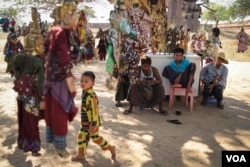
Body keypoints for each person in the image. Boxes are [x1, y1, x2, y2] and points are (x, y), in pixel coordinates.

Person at [43, 1, 78, 158]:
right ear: (66, 16)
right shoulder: (61, 32)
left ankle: (51, 139)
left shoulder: (52, 30)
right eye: (74, 14)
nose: (76, 17)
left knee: (51, 108)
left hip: (49, 76)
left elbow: (46, 52)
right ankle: (60, 146)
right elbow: (64, 58)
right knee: (60, 112)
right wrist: (69, 76)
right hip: (59, 79)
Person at [11, 7, 45, 156]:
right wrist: (41, 94)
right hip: (31, 94)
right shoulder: (38, 61)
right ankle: (33, 148)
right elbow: (41, 81)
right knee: (32, 120)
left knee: (24, 118)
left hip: (21, 91)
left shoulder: (21, 56)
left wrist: (19, 77)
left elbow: (14, 65)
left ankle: (24, 143)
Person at [71, 71, 116, 161]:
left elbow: (95, 111)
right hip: (84, 121)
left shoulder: (92, 96)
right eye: (82, 81)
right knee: (81, 136)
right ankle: (81, 155)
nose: (83, 83)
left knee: (95, 138)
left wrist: (93, 124)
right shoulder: (85, 92)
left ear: (93, 83)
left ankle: (111, 148)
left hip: (92, 122)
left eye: (86, 81)